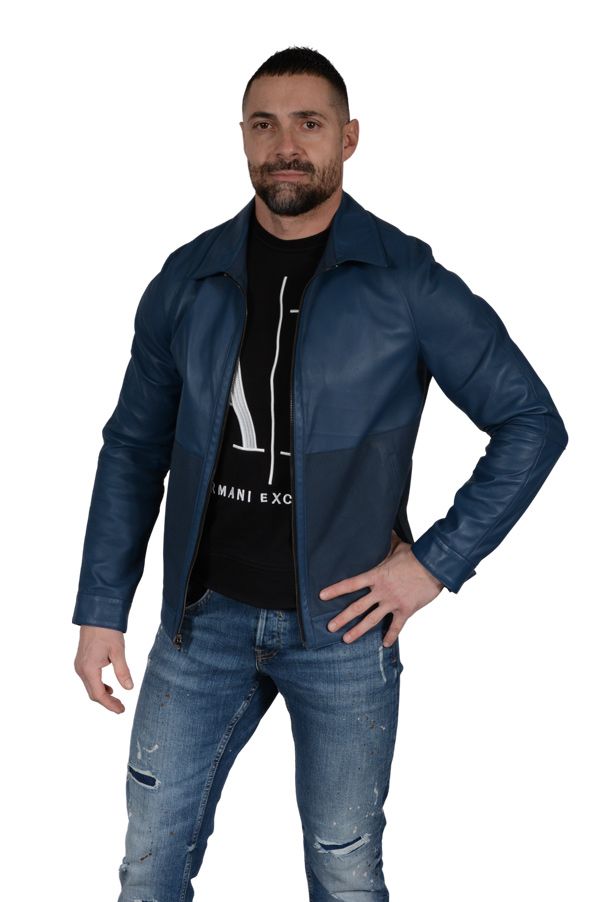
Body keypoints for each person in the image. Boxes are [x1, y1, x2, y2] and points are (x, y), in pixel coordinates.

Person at [72, 46, 568, 901]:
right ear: (242, 138)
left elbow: (531, 423)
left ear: (349, 137)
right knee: (148, 866)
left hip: (344, 628)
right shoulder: (188, 278)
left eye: (309, 124)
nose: (286, 146)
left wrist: (434, 564)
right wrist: (99, 607)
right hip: (201, 623)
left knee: (344, 867)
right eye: (265, 125)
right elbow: (133, 448)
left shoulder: (406, 281)